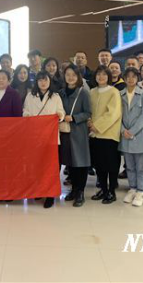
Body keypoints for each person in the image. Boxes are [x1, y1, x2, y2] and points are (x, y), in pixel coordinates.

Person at [23, 70, 65, 208]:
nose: (43, 82)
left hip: (50, 136)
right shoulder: (30, 96)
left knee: (50, 167)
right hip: (34, 136)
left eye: (45, 79)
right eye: (40, 80)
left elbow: (61, 112)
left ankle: (50, 194)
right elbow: (25, 111)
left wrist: (60, 115)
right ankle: (39, 190)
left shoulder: (55, 96)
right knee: (37, 165)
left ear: (50, 81)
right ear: (36, 82)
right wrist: (27, 116)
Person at [88, 66, 122, 204]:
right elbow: (89, 110)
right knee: (99, 164)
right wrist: (89, 122)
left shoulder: (114, 91)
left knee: (111, 165)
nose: (101, 77)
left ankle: (112, 191)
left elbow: (113, 113)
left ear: (108, 76)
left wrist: (97, 126)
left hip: (109, 134)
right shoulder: (92, 92)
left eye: (104, 74)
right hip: (94, 134)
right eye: (98, 74)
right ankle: (103, 189)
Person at [59, 65, 91, 207]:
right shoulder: (60, 93)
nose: (70, 77)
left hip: (79, 131)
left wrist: (74, 118)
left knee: (81, 163)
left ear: (78, 77)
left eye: (73, 75)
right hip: (65, 132)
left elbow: (88, 113)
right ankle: (73, 189)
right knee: (70, 162)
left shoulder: (83, 93)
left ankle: (80, 192)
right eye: (68, 74)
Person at [119, 68, 143, 207]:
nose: (130, 79)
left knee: (141, 167)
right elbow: (117, 114)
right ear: (124, 78)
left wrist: (132, 131)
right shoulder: (120, 94)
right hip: (124, 134)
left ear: (138, 78)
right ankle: (132, 188)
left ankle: (141, 191)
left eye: (133, 76)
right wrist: (123, 130)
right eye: (128, 76)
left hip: (140, 135)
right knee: (130, 166)